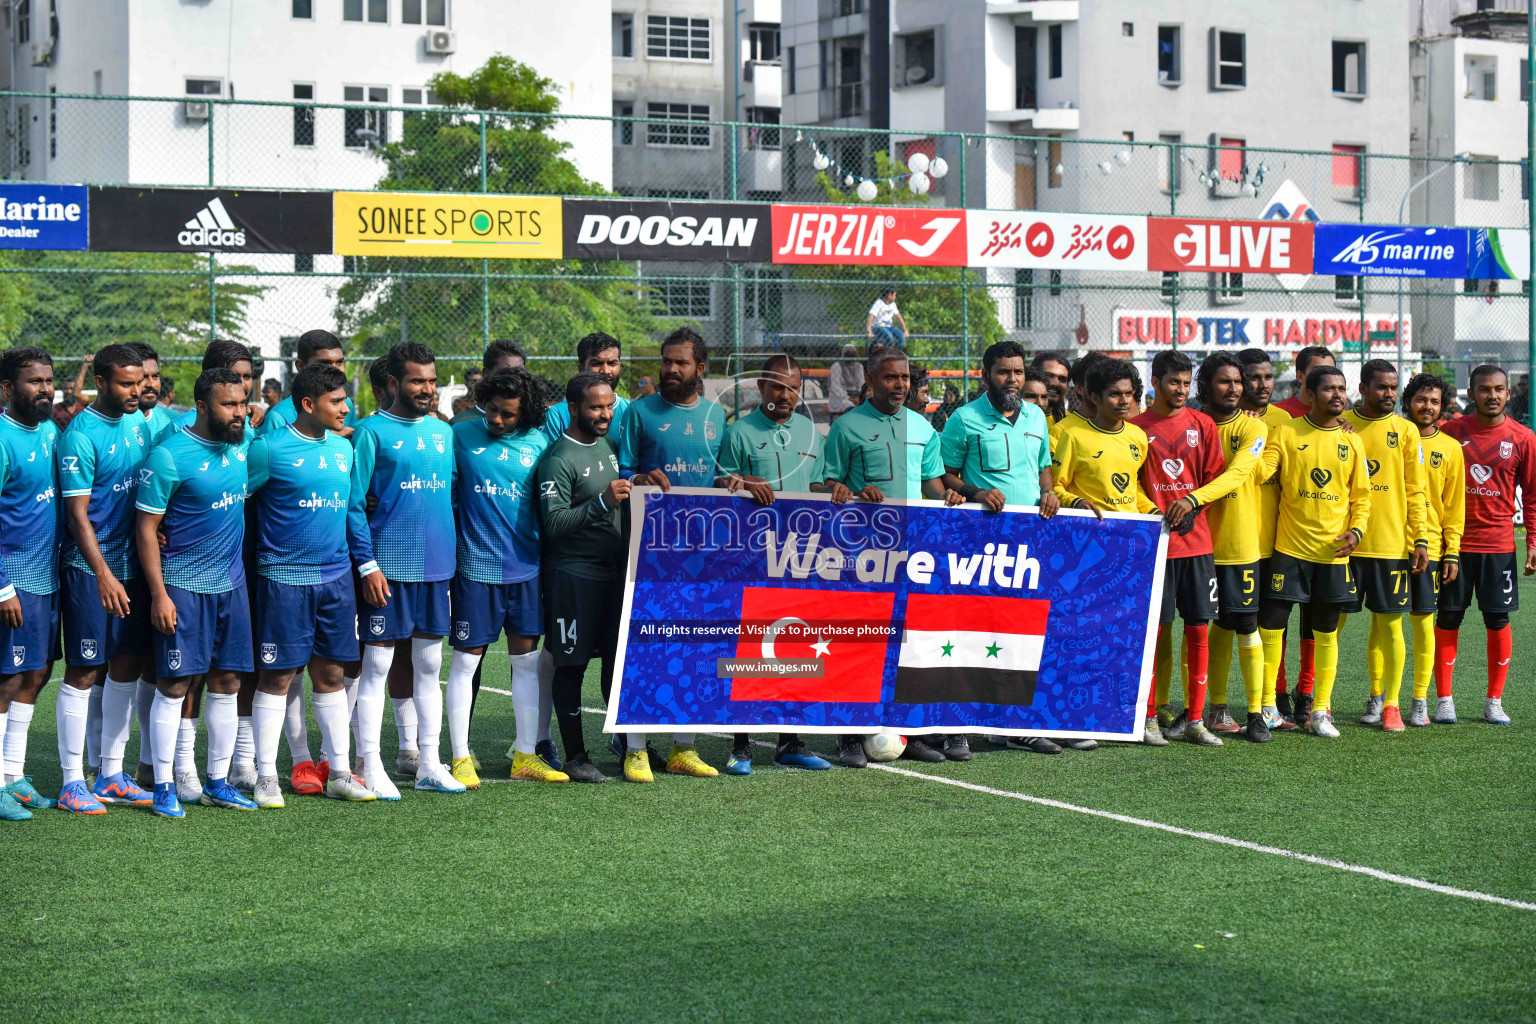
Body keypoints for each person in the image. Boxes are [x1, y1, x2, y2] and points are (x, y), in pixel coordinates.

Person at [823, 346, 961, 767]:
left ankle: (909, 732)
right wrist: (846, 492)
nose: (900, 385)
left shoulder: (923, 427)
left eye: (904, 378)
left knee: (910, 644)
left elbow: (934, 485)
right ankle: (847, 736)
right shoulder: (846, 427)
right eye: (890, 378)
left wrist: (952, 496)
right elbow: (826, 483)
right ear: (870, 381)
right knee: (858, 643)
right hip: (862, 554)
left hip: (913, 554)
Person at [244, 363, 374, 804]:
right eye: (336, 402)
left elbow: (352, 510)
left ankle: (339, 772)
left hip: (336, 579)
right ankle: (266, 778)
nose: (346, 409)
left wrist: (363, 565)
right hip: (284, 580)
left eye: (346, 400)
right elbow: (231, 500)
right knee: (278, 676)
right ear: (307, 404)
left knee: (332, 673)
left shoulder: (344, 450)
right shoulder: (267, 449)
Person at [134, 367, 258, 817]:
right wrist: (160, 595)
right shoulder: (170, 456)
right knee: (174, 686)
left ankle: (218, 781)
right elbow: (146, 529)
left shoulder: (242, 446)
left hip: (231, 586)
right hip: (182, 588)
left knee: (226, 683)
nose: (240, 413)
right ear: (202, 406)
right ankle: (164, 785)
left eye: (243, 403)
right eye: (230, 405)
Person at [940, 341, 1074, 756]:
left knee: (1024, 631)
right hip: (982, 545)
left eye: (1017, 371)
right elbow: (943, 474)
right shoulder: (963, 419)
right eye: (1004, 372)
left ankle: (1016, 725)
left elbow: (1043, 466)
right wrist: (976, 491)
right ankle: (957, 726)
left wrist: (1048, 493)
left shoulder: (1037, 415)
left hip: (1032, 543)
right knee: (972, 632)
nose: (1012, 379)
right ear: (986, 376)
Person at [347, 342, 464, 797]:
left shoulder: (443, 432)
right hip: (387, 569)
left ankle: (430, 762)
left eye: (432, 381)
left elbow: (449, 495)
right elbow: (355, 506)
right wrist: (368, 565)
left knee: (430, 664)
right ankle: (371, 763)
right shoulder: (370, 432)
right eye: (417, 381)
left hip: (436, 568)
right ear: (394, 383)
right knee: (376, 664)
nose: (427, 389)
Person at [1135, 350, 1267, 748]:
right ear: (1155, 382)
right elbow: (1133, 482)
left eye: (1185, 382)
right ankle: (1151, 717)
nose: (1180, 389)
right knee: (1157, 633)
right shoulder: (1136, 428)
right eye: (1172, 382)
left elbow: (1215, 477)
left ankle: (1196, 720)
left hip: (1197, 545)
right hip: (1156, 544)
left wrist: (1193, 506)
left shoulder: (1202, 424)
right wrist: (1155, 511)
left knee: (1199, 630)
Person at [713, 353, 834, 775]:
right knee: (749, 646)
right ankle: (741, 744)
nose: (785, 395)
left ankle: (790, 741)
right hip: (752, 556)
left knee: (796, 643)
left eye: (793, 387)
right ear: (761, 389)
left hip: (802, 557)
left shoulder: (811, 431)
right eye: (777, 386)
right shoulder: (739, 433)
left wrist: (836, 489)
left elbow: (817, 484)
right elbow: (719, 485)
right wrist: (744, 482)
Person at [445, 368, 567, 786]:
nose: (497, 420)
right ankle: (461, 757)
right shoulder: (459, 436)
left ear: (526, 413)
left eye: (508, 415)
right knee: (464, 663)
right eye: (492, 410)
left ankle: (525, 756)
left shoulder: (541, 443)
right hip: (475, 571)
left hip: (526, 570)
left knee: (527, 665)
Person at [616, 325, 724, 779]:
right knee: (645, 643)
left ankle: (684, 745)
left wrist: (732, 483)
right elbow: (621, 472)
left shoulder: (718, 418)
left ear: (700, 368)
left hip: (702, 553)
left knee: (695, 645)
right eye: (666, 361)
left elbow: (721, 476)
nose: (670, 369)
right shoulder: (638, 413)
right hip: (650, 550)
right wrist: (638, 479)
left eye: (680, 362)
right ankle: (636, 748)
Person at [56, 344, 151, 815]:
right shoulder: (80, 435)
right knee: (84, 671)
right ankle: (73, 781)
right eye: (126, 384)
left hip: (134, 571)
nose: (137, 391)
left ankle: (111, 773)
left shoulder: (140, 424)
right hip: (90, 573)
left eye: (140, 382)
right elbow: (77, 516)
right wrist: (103, 575)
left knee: (127, 664)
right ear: (101, 381)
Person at [1049, 359, 1161, 741]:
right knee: (1082, 635)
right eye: (1114, 394)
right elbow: (1054, 488)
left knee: (1123, 636)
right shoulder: (1069, 433)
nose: (1124, 401)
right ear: (1092, 396)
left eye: (1129, 393)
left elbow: (1134, 489)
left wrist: (1151, 511)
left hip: (1129, 551)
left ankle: (1121, 717)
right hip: (1085, 552)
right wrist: (1076, 503)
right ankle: (1075, 719)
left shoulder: (1136, 438)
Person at [1258, 365, 1371, 738]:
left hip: (1334, 554)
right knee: (1271, 628)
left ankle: (1321, 709)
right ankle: (1267, 707)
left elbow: (1362, 498)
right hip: (1290, 550)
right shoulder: (1286, 431)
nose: (1337, 395)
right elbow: (1261, 473)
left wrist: (1357, 530)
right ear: (1309, 394)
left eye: (1341, 388)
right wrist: (1252, 432)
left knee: (1326, 634)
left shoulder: (1352, 440)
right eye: (1328, 389)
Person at [539, 372, 632, 784]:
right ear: (573, 408)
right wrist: (602, 501)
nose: (605, 414)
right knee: (572, 665)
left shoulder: (610, 447)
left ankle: (630, 749)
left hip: (613, 574)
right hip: (573, 576)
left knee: (616, 662)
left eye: (609, 405)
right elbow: (554, 523)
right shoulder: (558, 458)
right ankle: (576, 756)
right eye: (596, 406)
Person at [1437, 364, 1536, 725]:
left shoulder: (1524, 438)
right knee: (1449, 616)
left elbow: (1533, 495)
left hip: (1499, 547)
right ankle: (1444, 699)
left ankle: (1494, 701)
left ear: (1509, 394)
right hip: (1455, 546)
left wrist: (1533, 541)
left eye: (1498, 389)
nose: (1491, 395)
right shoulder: (1451, 433)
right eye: (1484, 389)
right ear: (1471, 392)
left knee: (1497, 619)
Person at [1339, 360, 1429, 733]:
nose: (1390, 394)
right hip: (1342, 545)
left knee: (1390, 626)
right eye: (1381, 387)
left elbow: (1416, 489)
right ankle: (1316, 701)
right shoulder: (1340, 423)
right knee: (1330, 626)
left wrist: (1419, 538)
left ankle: (1389, 703)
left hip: (1390, 546)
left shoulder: (1406, 431)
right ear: (1362, 388)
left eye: (1394, 387)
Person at [1197, 352, 1281, 743]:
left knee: (1247, 623)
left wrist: (1193, 499)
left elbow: (1239, 474)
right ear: (1206, 386)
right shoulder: (1191, 426)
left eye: (1237, 382)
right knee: (1202, 625)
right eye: (1224, 382)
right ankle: (1210, 709)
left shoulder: (1252, 428)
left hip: (1240, 542)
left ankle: (1255, 713)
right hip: (1194, 543)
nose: (1234, 389)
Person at [0, 347, 61, 819]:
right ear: (7, 389)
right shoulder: (2, 438)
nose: (44, 389)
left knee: (35, 675)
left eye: (48, 380)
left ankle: (12, 776)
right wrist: (2, 587)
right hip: (13, 582)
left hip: (46, 578)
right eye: (33, 381)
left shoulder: (50, 431)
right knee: (6, 680)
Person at [1234, 348, 1302, 729]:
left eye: (1267, 377)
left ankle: (1267, 705)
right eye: (1253, 378)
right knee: (1228, 625)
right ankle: (1217, 705)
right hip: (1234, 540)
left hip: (1277, 541)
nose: (1262, 385)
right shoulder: (1222, 419)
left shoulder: (1285, 421)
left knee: (1272, 626)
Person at [124, 342, 179, 791]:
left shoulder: (170, 426)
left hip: (163, 561)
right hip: (112, 562)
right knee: (109, 663)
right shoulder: (107, 424)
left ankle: (146, 763)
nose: (148, 384)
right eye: (139, 377)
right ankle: (102, 764)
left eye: (154, 376)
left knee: (151, 662)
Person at [1401, 373, 1464, 727]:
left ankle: (1421, 700)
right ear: (1408, 401)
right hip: (1392, 543)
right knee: (1387, 622)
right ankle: (1380, 698)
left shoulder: (1451, 448)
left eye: (1434, 401)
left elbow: (1454, 508)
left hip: (1433, 549)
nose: (1427, 406)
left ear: (1442, 407)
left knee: (1424, 624)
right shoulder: (1393, 435)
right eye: (1421, 399)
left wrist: (1451, 551)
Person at [258, 329, 358, 438]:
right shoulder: (278, 417)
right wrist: (330, 438)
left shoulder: (346, 405)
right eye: (324, 363)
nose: (335, 370)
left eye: (339, 362)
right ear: (300, 366)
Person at [451, 339, 525, 426]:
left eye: (520, 372)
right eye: (507, 372)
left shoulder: (531, 423)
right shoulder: (460, 425)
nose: (515, 379)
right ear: (486, 374)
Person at [1274, 346, 1334, 418]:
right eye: (1319, 371)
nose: (1326, 377)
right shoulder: (1277, 413)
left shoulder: (1341, 418)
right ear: (1300, 376)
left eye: (1331, 371)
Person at [1030, 350, 1072, 423]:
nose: (1055, 383)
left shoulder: (1069, 423)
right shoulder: (1013, 418)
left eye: (1062, 379)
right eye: (1048, 376)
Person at [828, 343, 863, 423]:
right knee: (850, 407)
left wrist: (859, 397)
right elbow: (835, 387)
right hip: (839, 398)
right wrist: (848, 398)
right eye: (848, 354)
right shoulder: (836, 366)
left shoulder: (859, 366)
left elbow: (861, 385)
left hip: (856, 397)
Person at [51, 362, 88, 431]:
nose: (68, 391)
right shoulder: (55, 409)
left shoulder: (83, 408)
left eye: (71, 389)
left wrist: (84, 366)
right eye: (65, 388)